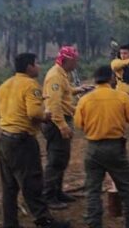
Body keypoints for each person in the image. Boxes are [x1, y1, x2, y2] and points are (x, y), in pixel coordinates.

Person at [0, 52, 71, 228]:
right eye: (36, 64)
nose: (38, 67)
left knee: (9, 186)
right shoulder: (31, 85)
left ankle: (10, 223)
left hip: (4, 138)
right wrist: (46, 116)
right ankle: (44, 221)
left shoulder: (5, 85)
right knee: (32, 182)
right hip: (22, 141)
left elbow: (1, 111)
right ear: (29, 66)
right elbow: (33, 113)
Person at [74, 65, 129, 228]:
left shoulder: (85, 99)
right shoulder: (121, 97)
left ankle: (94, 222)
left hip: (92, 149)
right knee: (128, 185)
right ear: (111, 78)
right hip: (115, 148)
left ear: (95, 80)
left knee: (93, 189)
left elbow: (79, 124)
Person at [42, 45, 89, 209]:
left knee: (62, 158)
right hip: (56, 122)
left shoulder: (62, 74)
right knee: (55, 160)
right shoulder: (55, 76)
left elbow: (66, 91)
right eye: (74, 61)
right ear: (66, 60)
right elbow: (54, 104)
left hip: (62, 118)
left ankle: (57, 191)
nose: (76, 64)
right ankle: (48, 196)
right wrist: (62, 126)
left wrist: (79, 90)